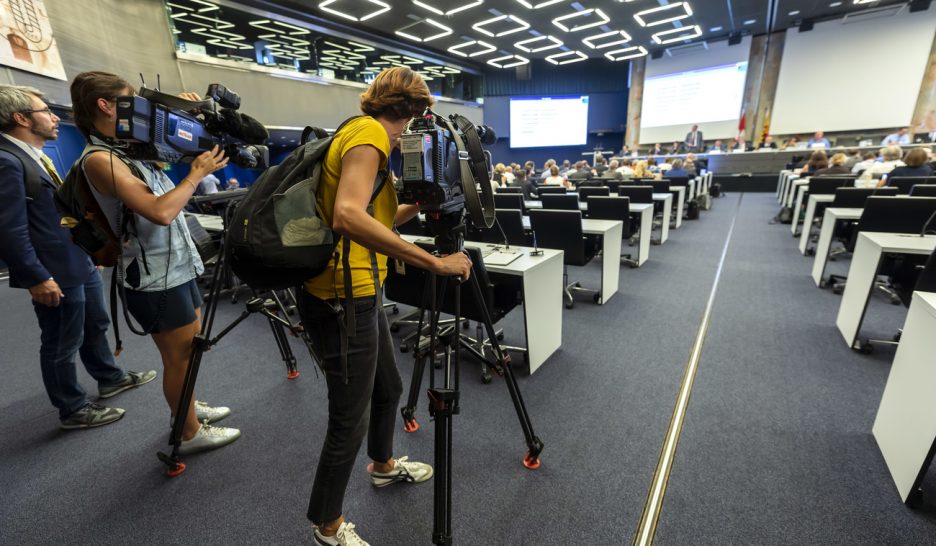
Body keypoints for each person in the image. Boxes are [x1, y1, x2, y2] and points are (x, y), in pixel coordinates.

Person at [298, 67, 472, 546]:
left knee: (388, 388)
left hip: (359, 289)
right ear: (416, 110)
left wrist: (419, 202)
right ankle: (327, 525)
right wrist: (433, 262)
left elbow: (374, 215)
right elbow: (348, 216)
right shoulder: (371, 135)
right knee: (347, 416)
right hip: (341, 295)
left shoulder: (361, 132)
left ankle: (382, 465)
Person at [70, 71, 238, 452]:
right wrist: (195, 176)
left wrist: (182, 112)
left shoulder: (127, 148)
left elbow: (170, 138)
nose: (140, 110)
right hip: (153, 277)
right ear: (106, 105)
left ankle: (188, 409)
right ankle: (189, 432)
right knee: (179, 358)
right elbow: (160, 212)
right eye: (131, 101)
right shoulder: (99, 159)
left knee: (193, 348)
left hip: (175, 266)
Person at [0, 84, 157, 429]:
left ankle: (109, 377)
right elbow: (9, 230)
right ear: (21, 118)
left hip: (76, 261)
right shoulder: (6, 161)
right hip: (52, 271)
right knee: (61, 342)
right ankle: (72, 408)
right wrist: (37, 277)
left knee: (94, 324)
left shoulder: (33, 155)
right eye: (46, 111)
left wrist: (89, 249)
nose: (55, 117)